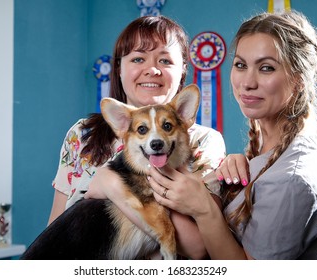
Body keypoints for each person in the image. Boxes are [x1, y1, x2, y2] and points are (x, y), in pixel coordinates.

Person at [146, 10, 317, 260]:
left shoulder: (292, 178)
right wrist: (240, 169)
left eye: (266, 68)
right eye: (241, 65)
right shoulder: (293, 131)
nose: (247, 82)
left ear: (299, 78)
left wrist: (204, 210)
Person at [49, 15, 226, 259]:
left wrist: (112, 186)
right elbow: (56, 230)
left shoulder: (205, 141)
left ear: (183, 68)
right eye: (138, 58)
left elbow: (196, 248)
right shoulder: (83, 134)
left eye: (165, 60)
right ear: (119, 68)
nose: (152, 69)